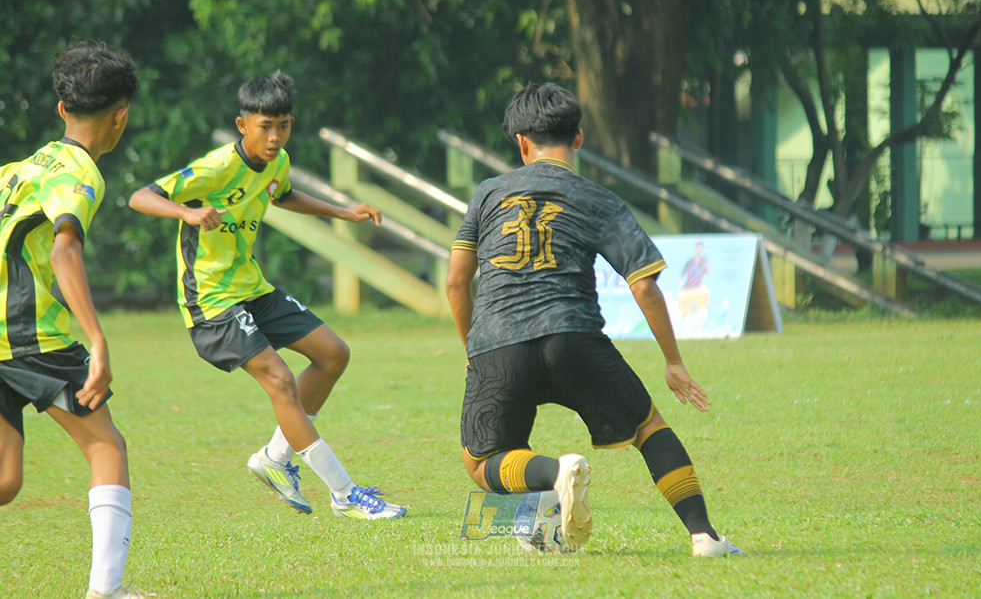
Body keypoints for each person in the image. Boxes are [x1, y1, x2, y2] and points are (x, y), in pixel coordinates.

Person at [446, 82, 742, 557]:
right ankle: (703, 535)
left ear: (520, 143)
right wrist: (673, 362)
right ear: (578, 138)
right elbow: (643, 284)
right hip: (574, 337)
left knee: (481, 460)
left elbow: (457, 282)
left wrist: (472, 351)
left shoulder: (487, 195)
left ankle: (552, 474)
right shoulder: (597, 198)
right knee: (648, 428)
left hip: (497, 342)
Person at [128, 71, 404, 520]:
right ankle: (344, 494)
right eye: (265, 127)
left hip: (252, 288)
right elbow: (140, 197)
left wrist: (342, 211)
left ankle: (275, 459)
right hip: (212, 301)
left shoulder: (278, 161)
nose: (275, 137)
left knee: (333, 354)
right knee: (279, 380)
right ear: (243, 126)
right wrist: (187, 212)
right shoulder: (216, 167)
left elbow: (283, 196)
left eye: (284, 126)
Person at [0, 41, 149, 598]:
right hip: (28, 333)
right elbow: (65, 251)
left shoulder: (19, 168)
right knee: (105, 445)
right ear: (121, 115)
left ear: (62, 110)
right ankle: (106, 590)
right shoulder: (79, 174)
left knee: (6, 481)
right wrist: (97, 339)